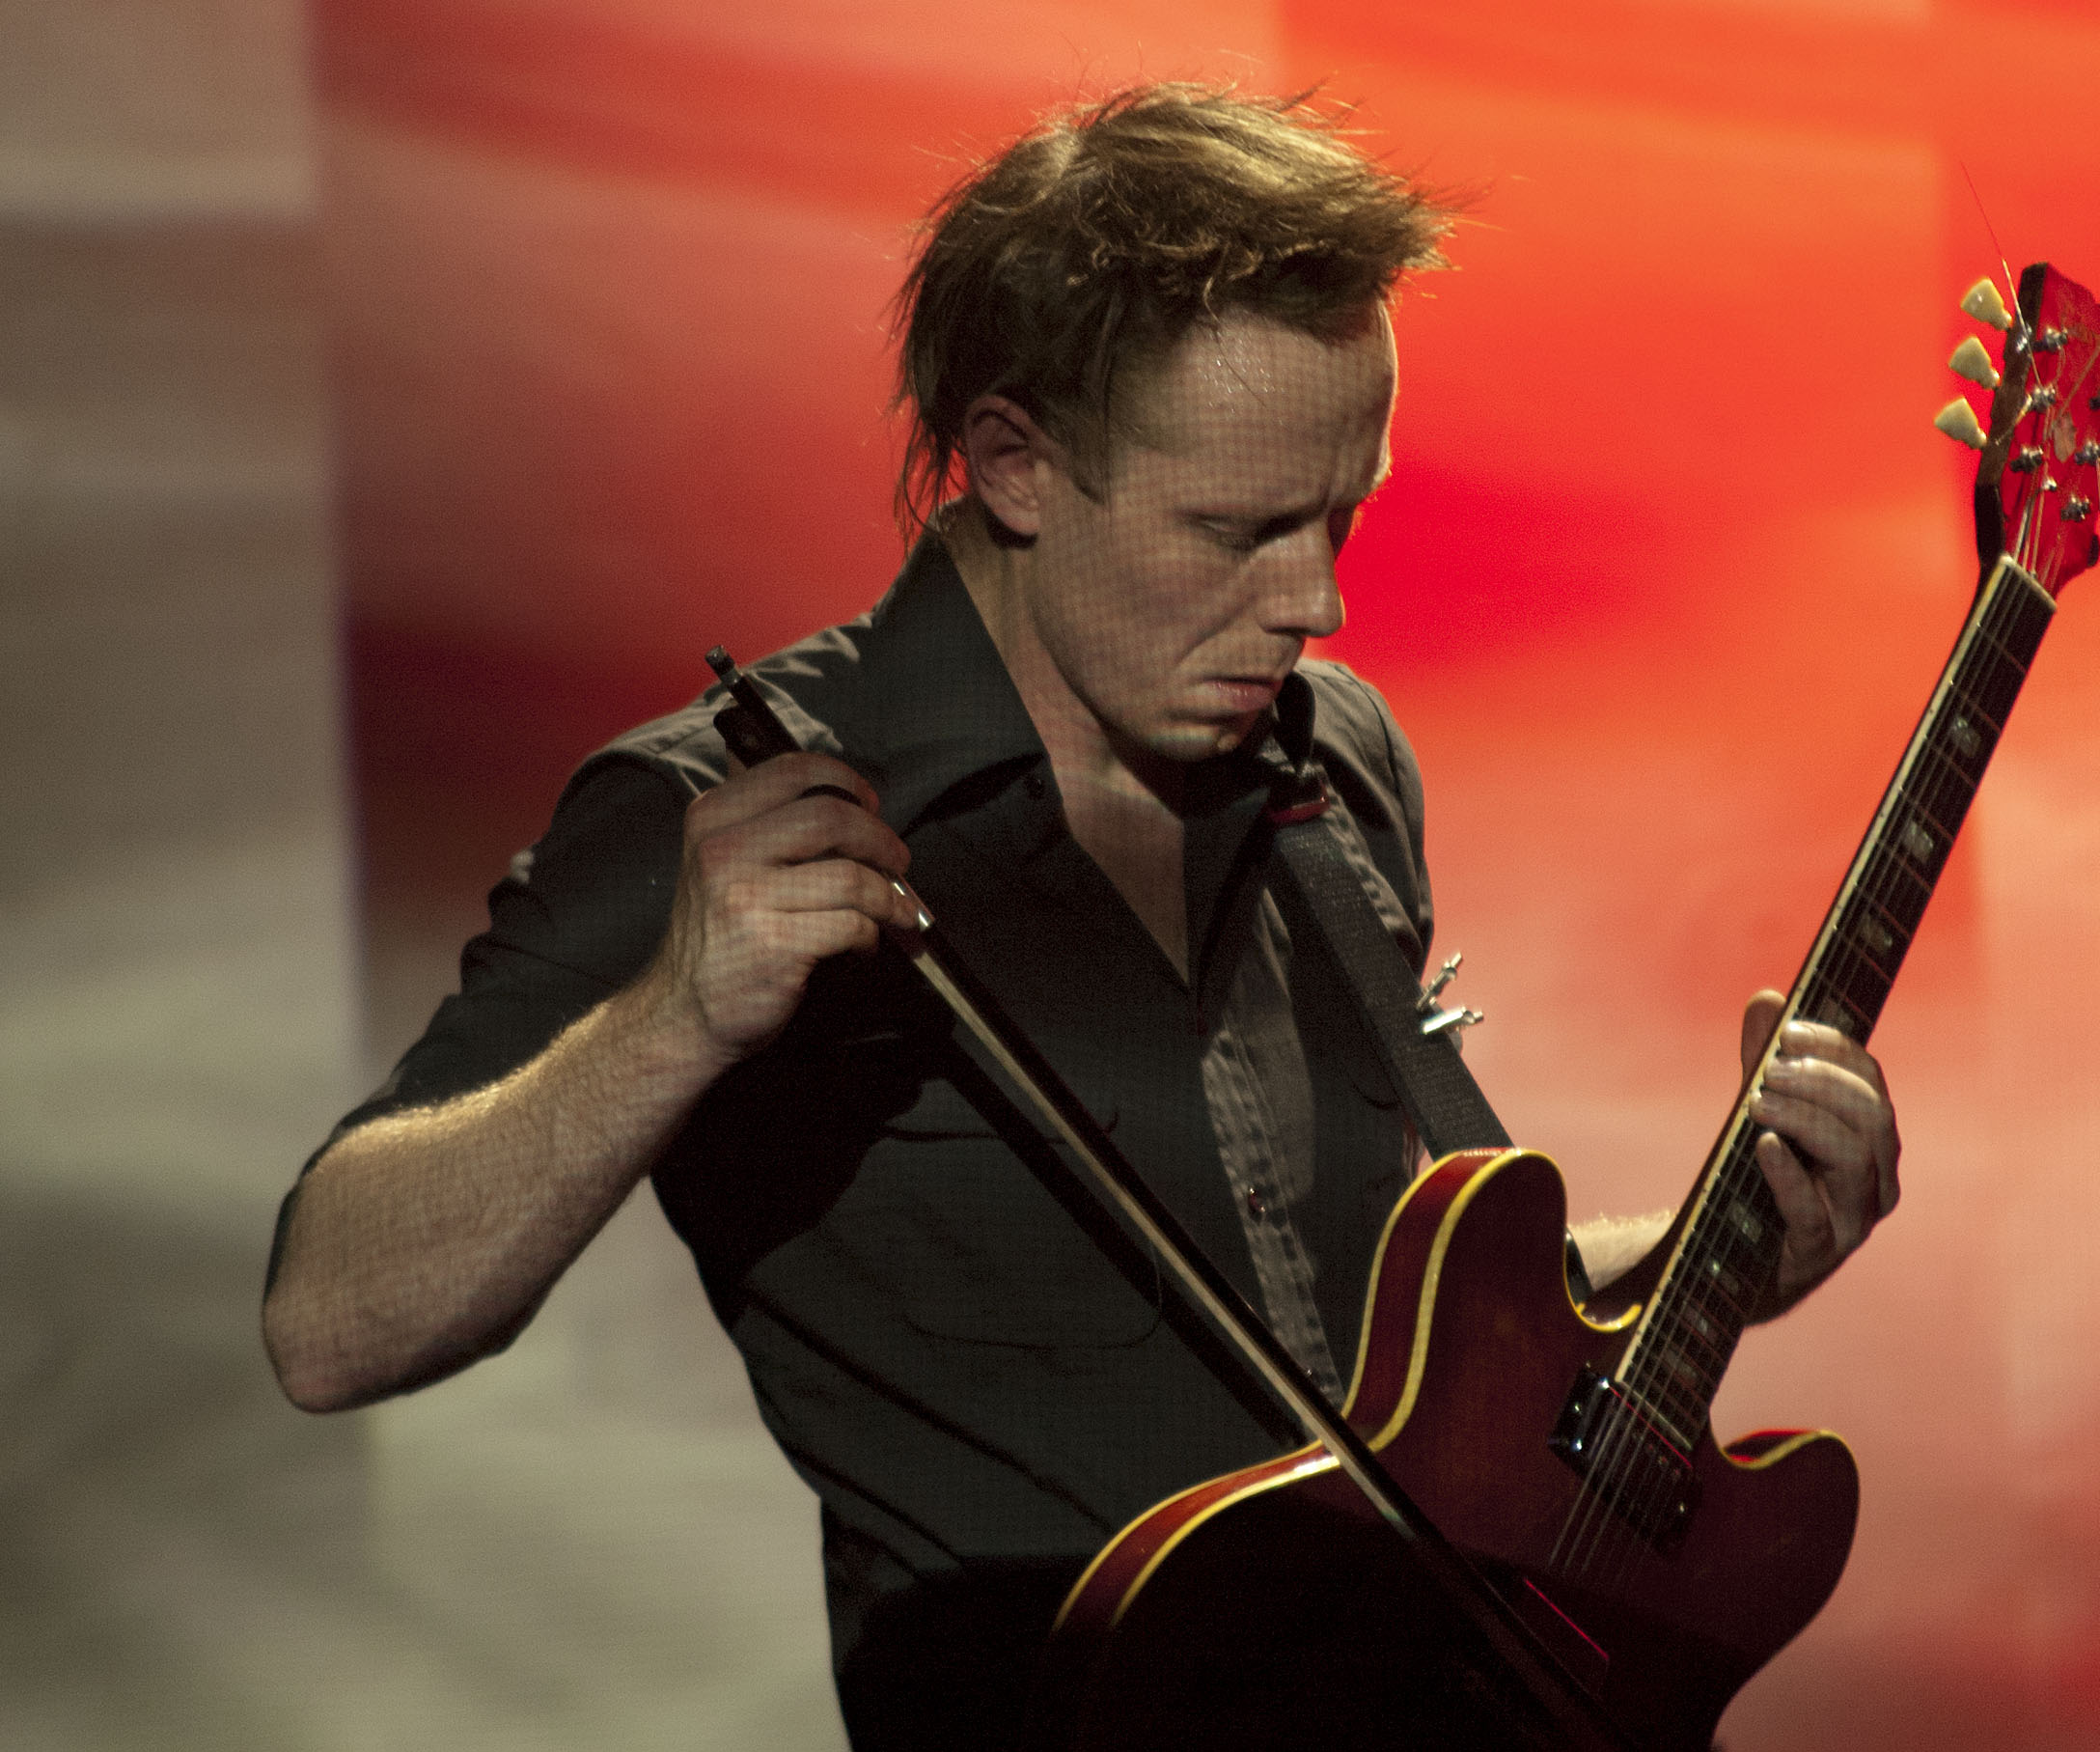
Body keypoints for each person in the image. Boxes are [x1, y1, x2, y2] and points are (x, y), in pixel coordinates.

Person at [262, 84, 1902, 1747]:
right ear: (1016, 464)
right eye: (1239, 531)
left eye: (1343, 513)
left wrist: (1719, 1247)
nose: (1321, 601)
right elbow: (329, 1323)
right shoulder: (724, 813)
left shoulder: (1339, 766)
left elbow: (1379, 1356)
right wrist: (670, 1015)